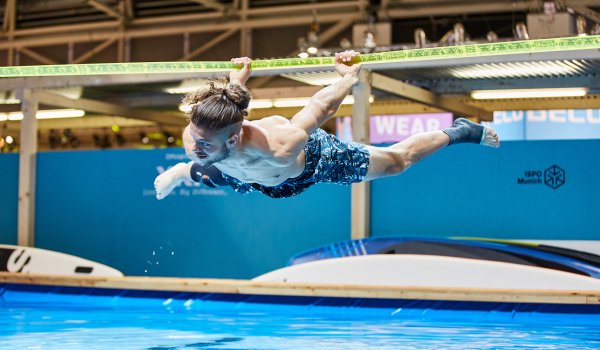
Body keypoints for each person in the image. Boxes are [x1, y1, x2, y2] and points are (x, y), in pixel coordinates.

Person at [154, 51, 499, 199]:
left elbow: (321, 106)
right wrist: (236, 80)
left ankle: (461, 131)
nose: (194, 145)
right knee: (203, 168)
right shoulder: (199, 133)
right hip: (247, 176)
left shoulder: (280, 143)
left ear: (232, 141)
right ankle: (181, 173)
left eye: (204, 143)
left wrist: (348, 78)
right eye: (195, 138)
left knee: (397, 164)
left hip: (310, 164)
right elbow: (232, 107)